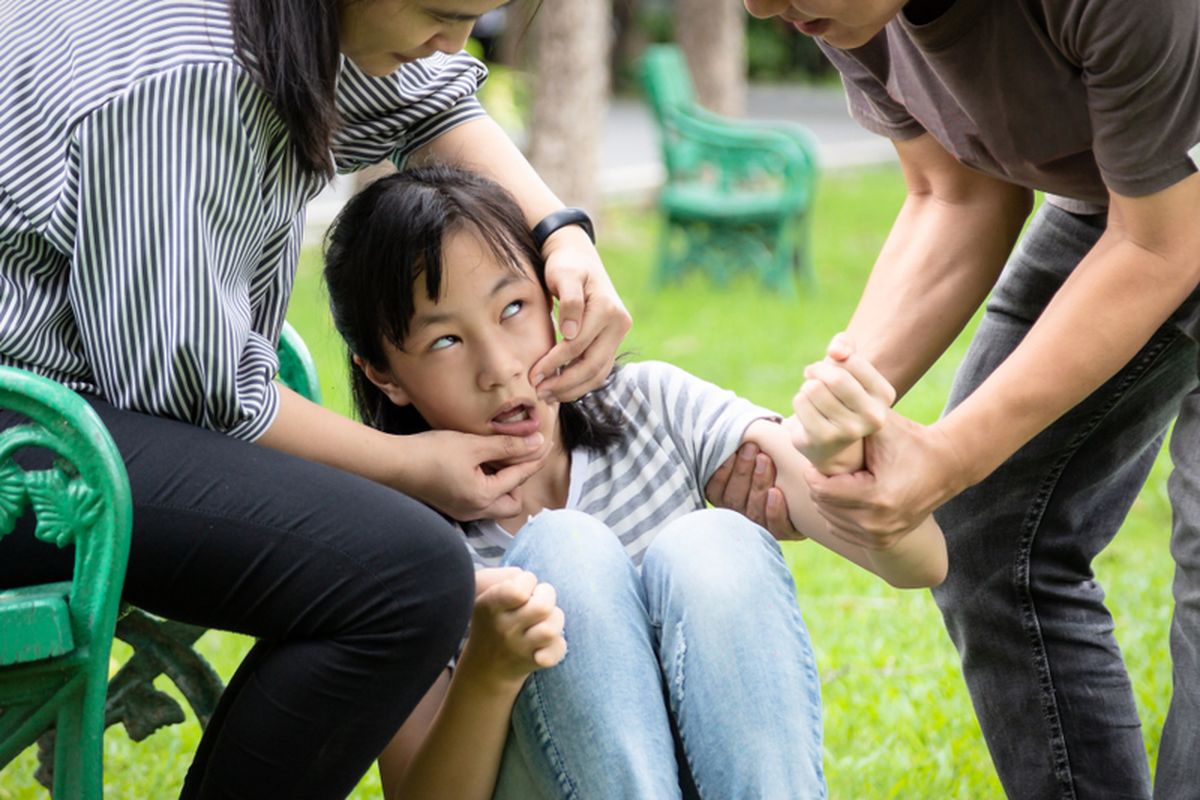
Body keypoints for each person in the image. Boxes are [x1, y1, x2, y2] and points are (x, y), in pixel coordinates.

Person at [0, 1, 630, 797]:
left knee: (401, 570)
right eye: (442, 13)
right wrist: (406, 463)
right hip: (32, 430)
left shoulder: (284, 25)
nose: (457, 43)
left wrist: (561, 233)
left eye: (478, 15)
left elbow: (431, 101)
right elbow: (198, 393)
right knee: (402, 580)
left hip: (77, 412)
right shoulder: (190, 71)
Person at [320, 164, 947, 799]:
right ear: (382, 374)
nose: (500, 367)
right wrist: (488, 670)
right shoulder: (398, 535)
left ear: (554, 290)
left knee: (714, 542)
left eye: (513, 307)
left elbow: (919, 563)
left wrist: (839, 460)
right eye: (447, 340)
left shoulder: (651, 409)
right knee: (564, 551)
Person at [713, 2, 1200, 797]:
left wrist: (950, 456)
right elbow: (955, 191)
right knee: (986, 534)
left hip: (1159, 218)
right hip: (1125, 204)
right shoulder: (836, 10)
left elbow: (1162, 243)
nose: (765, 7)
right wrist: (818, 439)